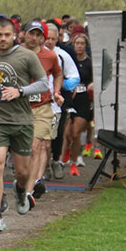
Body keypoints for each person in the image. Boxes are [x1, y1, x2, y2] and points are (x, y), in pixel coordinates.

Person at [0, 17, 48, 233]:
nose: (2, 39)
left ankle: (20, 190)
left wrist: (20, 91)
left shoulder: (27, 56)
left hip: (21, 120)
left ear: (15, 35)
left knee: (22, 171)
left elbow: (43, 83)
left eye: (7, 35)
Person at [21, 21, 62, 200]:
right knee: (21, 151)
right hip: (19, 107)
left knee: (36, 145)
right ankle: (23, 181)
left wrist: (57, 91)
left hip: (42, 107)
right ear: (24, 34)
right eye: (31, 33)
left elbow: (58, 73)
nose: (34, 38)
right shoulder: (16, 53)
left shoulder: (50, 56)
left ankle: (28, 191)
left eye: (38, 35)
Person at [44, 23, 80, 179]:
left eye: (53, 38)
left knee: (57, 135)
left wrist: (61, 85)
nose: (50, 42)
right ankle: (43, 166)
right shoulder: (34, 54)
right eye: (47, 38)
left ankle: (56, 161)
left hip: (57, 103)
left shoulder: (62, 55)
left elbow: (74, 77)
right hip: (37, 102)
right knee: (42, 138)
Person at [62, 34, 94, 176]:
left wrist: (93, 84)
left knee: (75, 133)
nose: (79, 46)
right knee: (66, 134)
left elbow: (98, 79)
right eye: (77, 43)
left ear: (85, 45)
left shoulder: (90, 63)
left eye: (82, 43)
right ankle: (65, 156)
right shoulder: (69, 61)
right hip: (70, 99)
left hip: (84, 101)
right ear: (73, 45)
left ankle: (73, 163)